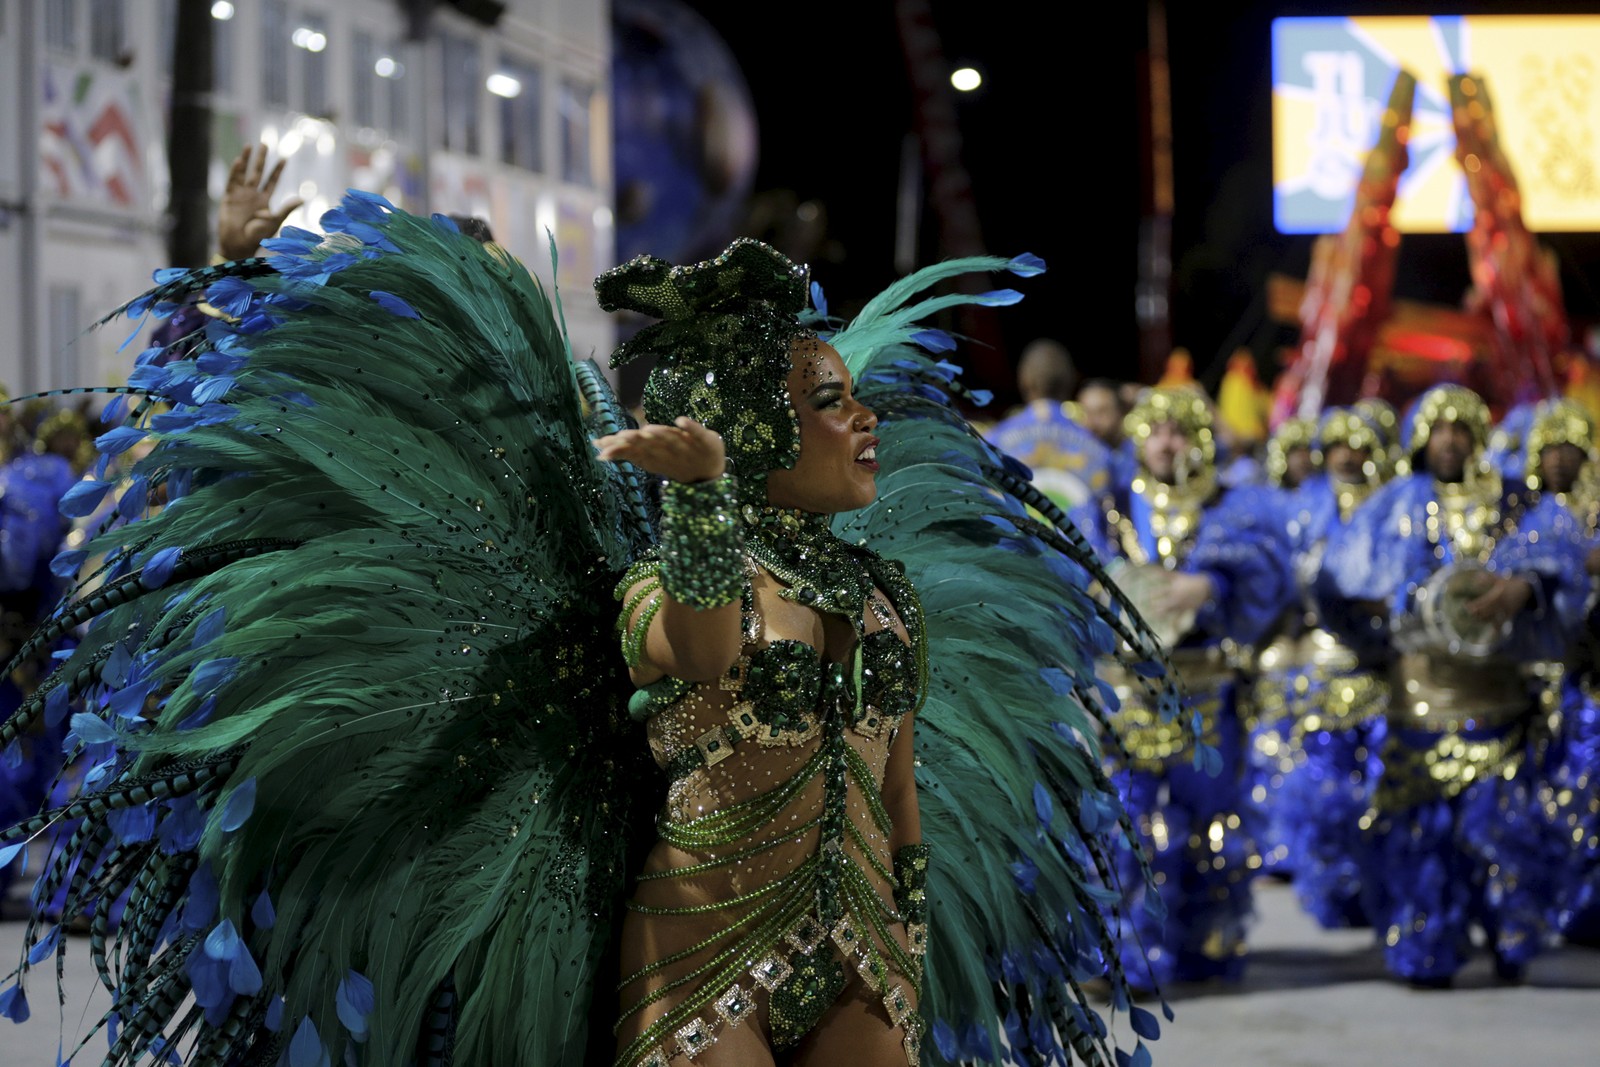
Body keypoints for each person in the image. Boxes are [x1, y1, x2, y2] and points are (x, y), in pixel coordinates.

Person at [1, 208, 1174, 1066]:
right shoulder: (659, 579)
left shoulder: (883, 594)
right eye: (828, 400)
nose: (866, 415)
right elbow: (708, 655)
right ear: (751, 430)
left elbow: (901, 775)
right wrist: (707, 500)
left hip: (864, 942)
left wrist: (911, 921)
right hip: (700, 945)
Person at [1317, 384, 1589, 986]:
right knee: (1419, 841)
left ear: (1477, 437)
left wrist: (1523, 587)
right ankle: (1425, 951)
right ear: (1421, 438)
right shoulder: (1393, 505)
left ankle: (1510, 940)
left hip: (1499, 700)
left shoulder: (1516, 501)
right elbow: (1337, 578)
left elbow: (1563, 552)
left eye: (1461, 428)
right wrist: (1380, 626)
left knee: (1503, 834)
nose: (1449, 440)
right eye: (1439, 429)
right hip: (1417, 703)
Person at [1098, 387, 1294, 989]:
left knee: (1213, 831)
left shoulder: (1229, 505)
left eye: (1179, 431)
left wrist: (1207, 586)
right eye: (1155, 430)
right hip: (1128, 693)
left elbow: (1272, 577)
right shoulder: (1110, 503)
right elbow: (1063, 570)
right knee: (1127, 829)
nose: (1166, 442)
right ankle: (1132, 958)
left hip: (1206, 692)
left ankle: (1208, 944)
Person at [1250, 407, 1393, 924]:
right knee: (1323, 790)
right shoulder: (1303, 507)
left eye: (1357, 446)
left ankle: (1376, 890)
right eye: (1337, 446)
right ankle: (1332, 892)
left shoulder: (1391, 504)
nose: (1347, 456)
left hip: (1380, 671)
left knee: (1378, 787)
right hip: (1317, 669)